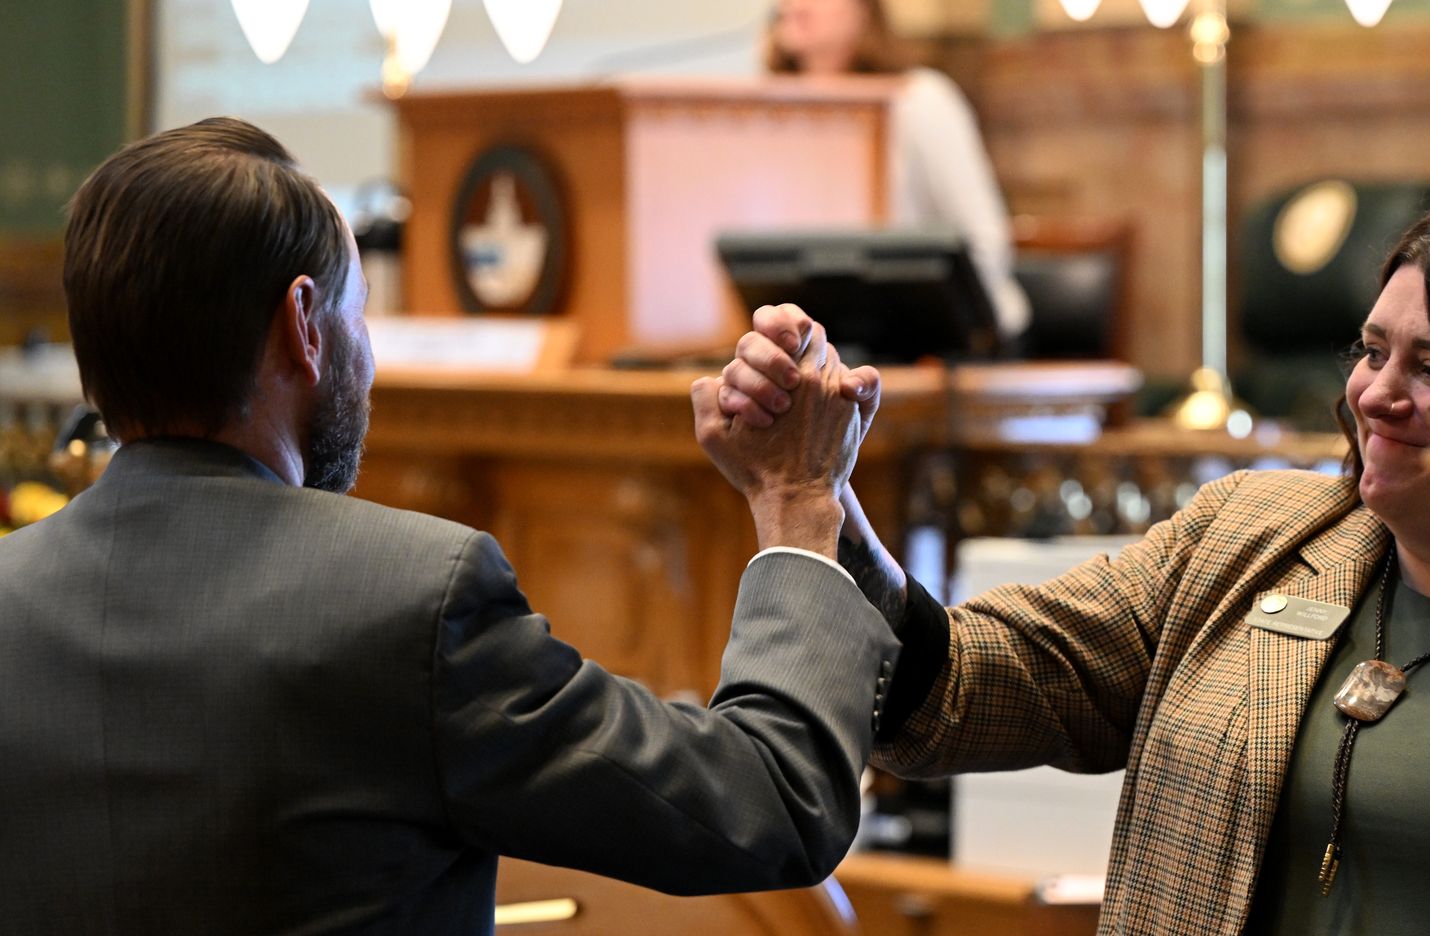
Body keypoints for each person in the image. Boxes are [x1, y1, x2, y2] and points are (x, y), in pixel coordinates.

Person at [718, 192, 1430, 934]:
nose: (1374, 394)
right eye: (1372, 349)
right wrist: (817, 504)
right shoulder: (1249, 539)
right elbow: (963, 682)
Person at [0, 117, 895, 933]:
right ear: (304, 325)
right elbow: (772, 804)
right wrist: (798, 502)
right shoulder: (403, 604)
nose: (370, 355)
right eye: (360, 313)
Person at [767, 0, 1031, 343]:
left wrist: (951, 331)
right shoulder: (771, 114)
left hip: (954, 345)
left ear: (863, 6)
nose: (794, 3)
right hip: (829, 344)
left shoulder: (919, 99)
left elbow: (984, 238)